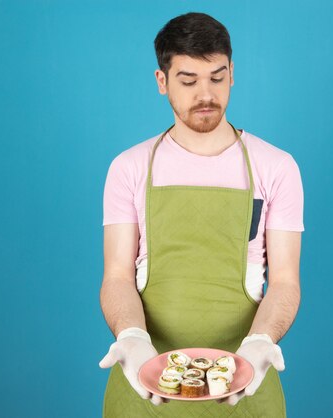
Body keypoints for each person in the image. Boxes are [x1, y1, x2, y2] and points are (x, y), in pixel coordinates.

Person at [99, 12, 304, 418]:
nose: (206, 94)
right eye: (189, 81)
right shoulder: (130, 167)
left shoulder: (277, 168)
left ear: (232, 75)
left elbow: (284, 281)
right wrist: (132, 336)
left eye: (217, 76)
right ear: (162, 82)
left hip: (247, 391)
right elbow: (118, 275)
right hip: (144, 393)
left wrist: (261, 342)